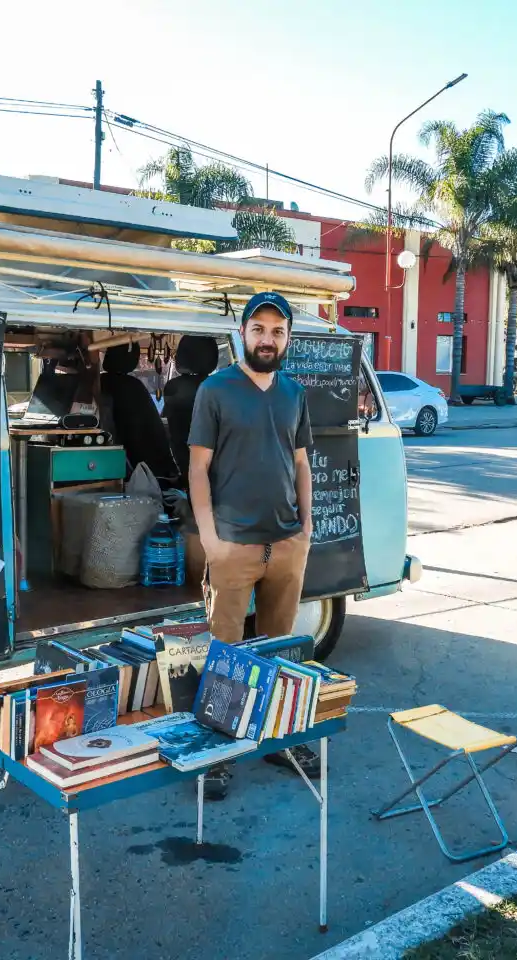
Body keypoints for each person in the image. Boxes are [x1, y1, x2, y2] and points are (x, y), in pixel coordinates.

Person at [188, 291, 318, 800]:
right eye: (259, 329)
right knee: (226, 655)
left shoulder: (293, 392)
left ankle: (277, 740)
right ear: (242, 333)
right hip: (233, 546)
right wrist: (210, 539)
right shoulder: (215, 390)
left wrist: (305, 529)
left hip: (286, 544)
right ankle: (217, 751)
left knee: (280, 651)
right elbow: (198, 467)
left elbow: (302, 463)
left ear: (288, 337)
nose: (268, 339)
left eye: (278, 331)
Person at [99, 342, 179, 484]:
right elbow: (152, 431)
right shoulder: (133, 388)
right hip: (143, 470)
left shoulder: (97, 384)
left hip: (111, 463)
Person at [161, 335, 220, 487]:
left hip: (187, 471)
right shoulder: (219, 389)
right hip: (216, 476)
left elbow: (166, 426)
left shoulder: (173, 388)